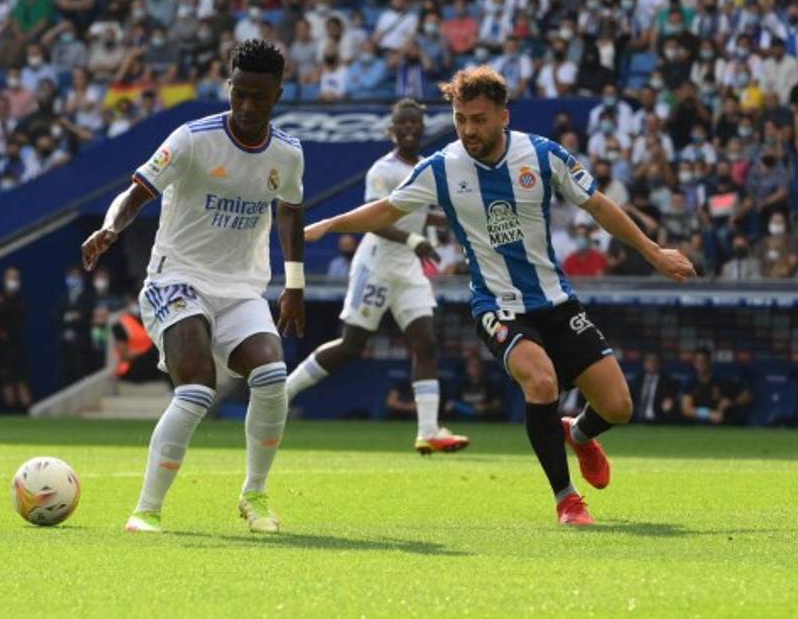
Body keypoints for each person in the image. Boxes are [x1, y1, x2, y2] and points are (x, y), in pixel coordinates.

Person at [304, 66, 695, 526]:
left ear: (503, 116)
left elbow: (599, 205)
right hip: (497, 305)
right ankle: (567, 499)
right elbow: (387, 209)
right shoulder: (442, 168)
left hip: (555, 299)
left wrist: (653, 252)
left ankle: (580, 433)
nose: (469, 129)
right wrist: (330, 223)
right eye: (460, 118)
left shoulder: (543, 155)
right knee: (542, 380)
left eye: (479, 119)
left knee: (618, 407)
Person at [81, 40, 305, 535]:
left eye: (259, 98)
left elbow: (289, 209)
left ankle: (255, 494)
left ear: (278, 95)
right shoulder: (191, 139)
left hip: (242, 289)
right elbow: (136, 191)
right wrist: (110, 229)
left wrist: (295, 284)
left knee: (271, 378)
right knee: (197, 388)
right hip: (176, 277)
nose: (247, 107)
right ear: (228, 87)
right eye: (239, 94)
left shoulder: (288, 153)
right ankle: (146, 509)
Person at [286, 100, 468, 453]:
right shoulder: (381, 170)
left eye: (416, 123)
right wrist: (415, 239)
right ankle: (283, 394)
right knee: (351, 346)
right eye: (403, 124)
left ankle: (428, 430)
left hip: (409, 270)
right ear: (391, 131)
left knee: (426, 343)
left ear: (423, 128)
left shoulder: (426, 169)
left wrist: (449, 223)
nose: (410, 129)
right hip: (377, 266)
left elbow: (417, 214)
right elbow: (376, 221)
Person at [0, 267, 32, 413]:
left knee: (21, 379)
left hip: (18, 345)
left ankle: (26, 413)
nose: (12, 281)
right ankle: (10, 412)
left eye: (15, 278)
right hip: (2, 347)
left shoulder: (20, 299)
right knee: (6, 380)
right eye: (10, 278)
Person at [680, 348, 752, 426]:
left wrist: (731, 402)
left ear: (709, 362)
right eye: (697, 361)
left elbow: (747, 397)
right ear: (694, 364)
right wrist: (709, 414)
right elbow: (686, 409)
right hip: (699, 426)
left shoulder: (722, 382)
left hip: (722, 426)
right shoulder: (691, 383)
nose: (700, 364)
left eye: (703, 361)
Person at [112, 293, 158, 383]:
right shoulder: (122, 324)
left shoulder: (149, 321)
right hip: (131, 368)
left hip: (151, 366)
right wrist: (144, 352)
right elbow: (124, 355)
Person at [630, 353, 680, 424]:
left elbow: (671, 399)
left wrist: (670, 402)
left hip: (659, 420)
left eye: (654, 361)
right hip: (636, 419)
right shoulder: (637, 380)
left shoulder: (668, 382)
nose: (652, 364)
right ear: (644, 364)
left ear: (659, 364)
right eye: (649, 361)